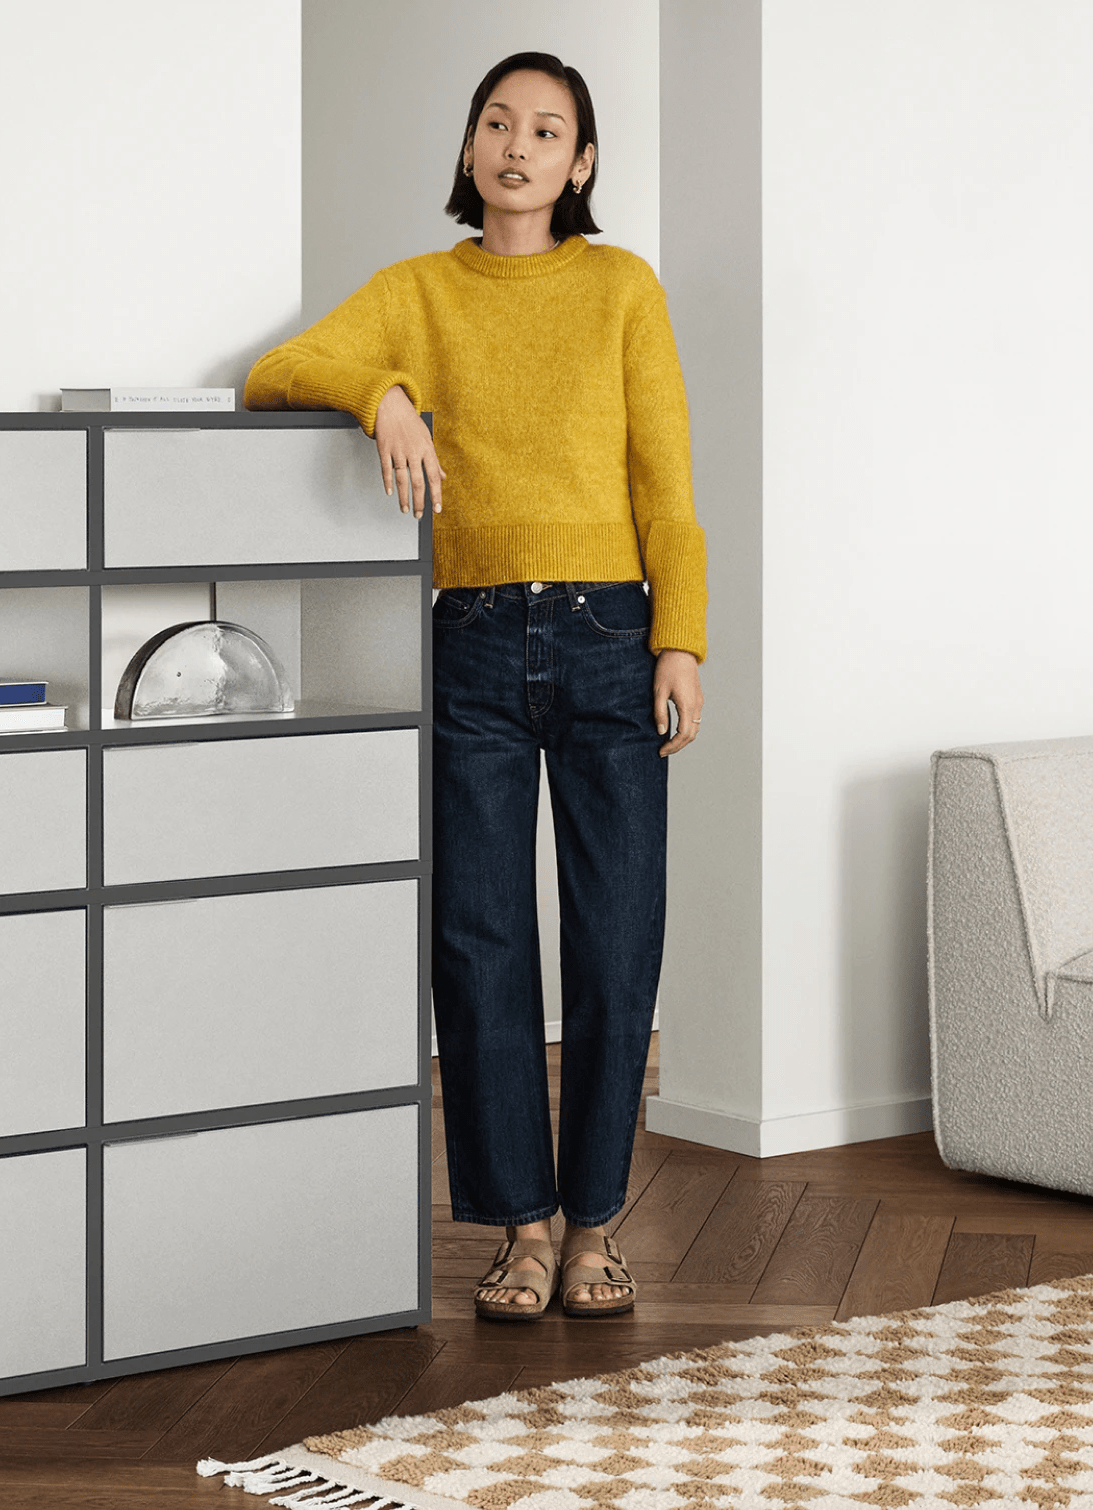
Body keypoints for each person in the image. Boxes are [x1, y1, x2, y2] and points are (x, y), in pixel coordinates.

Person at [246, 51, 704, 1320]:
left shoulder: (620, 288)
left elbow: (664, 482)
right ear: (465, 151)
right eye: (495, 123)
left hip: (613, 634)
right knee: (479, 939)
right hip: (472, 642)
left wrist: (683, 640)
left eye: (546, 129)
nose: (517, 146)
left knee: (616, 938)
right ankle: (520, 1225)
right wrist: (382, 393)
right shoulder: (414, 292)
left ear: (582, 162)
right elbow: (278, 370)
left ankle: (598, 1221)